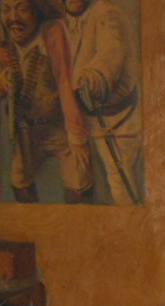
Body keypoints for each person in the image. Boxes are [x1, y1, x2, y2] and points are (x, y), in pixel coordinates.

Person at [0, 0, 94, 203]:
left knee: (79, 179)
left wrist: (77, 137)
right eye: (6, 9)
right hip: (26, 130)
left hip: (59, 126)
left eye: (22, 9)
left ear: (36, 10)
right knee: (19, 178)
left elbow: (65, 82)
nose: (13, 17)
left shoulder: (52, 32)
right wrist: (0, 81)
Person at [63, 0, 143, 205]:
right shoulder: (65, 22)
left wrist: (94, 77)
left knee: (120, 184)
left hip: (117, 121)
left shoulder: (107, 14)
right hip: (87, 119)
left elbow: (111, 53)